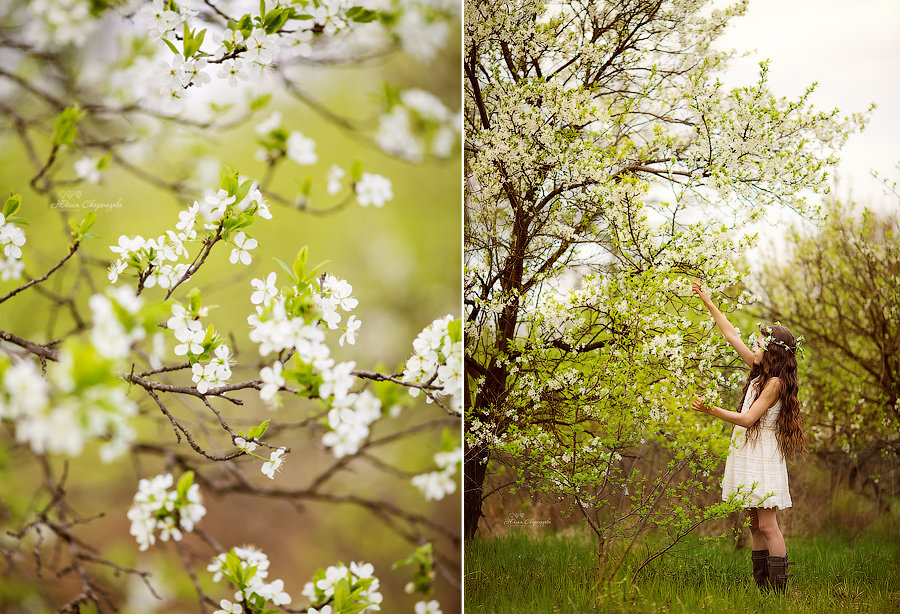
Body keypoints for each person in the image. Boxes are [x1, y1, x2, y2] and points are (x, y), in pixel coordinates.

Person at [690, 281, 804, 593]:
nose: (753, 349)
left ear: (771, 352)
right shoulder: (760, 369)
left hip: (762, 454)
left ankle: (779, 591)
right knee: (754, 524)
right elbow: (731, 335)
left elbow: (748, 418)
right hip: (747, 450)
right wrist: (709, 302)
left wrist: (711, 409)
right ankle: (762, 588)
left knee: (767, 524)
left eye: (758, 345)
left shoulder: (775, 384)